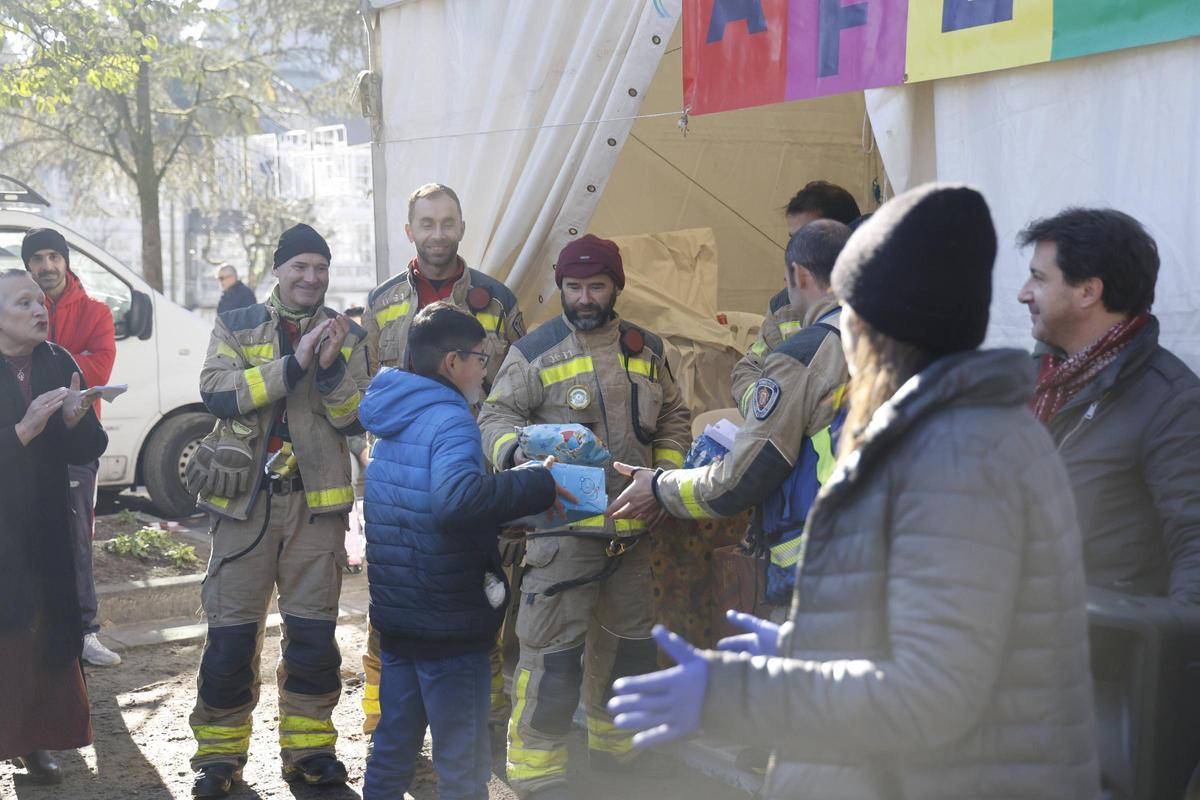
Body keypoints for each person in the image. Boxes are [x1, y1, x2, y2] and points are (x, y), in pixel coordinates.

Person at [608, 184, 1101, 800]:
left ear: (884, 322)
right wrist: (805, 643)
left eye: (854, 310)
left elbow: (932, 692)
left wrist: (735, 692)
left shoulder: (957, 454)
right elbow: (916, 631)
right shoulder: (941, 433)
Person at [477, 234, 691, 800]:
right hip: (562, 534)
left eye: (597, 285)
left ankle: (616, 758)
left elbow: (673, 418)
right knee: (553, 660)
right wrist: (517, 456)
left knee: (628, 654)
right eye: (574, 286)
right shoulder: (535, 351)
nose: (585, 297)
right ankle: (536, 771)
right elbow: (494, 417)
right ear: (561, 287)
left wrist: (660, 484)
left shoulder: (648, 349)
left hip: (633, 534)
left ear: (616, 286)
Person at [184, 224, 371, 798]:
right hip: (245, 507)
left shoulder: (350, 334)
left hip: (316, 509)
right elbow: (216, 391)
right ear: (279, 271)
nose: (310, 278)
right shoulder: (238, 322)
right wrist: (293, 367)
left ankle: (310, 752)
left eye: (320, 268)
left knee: (314, 637)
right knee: (232, 638)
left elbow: (357, 417)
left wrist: (334, 367)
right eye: (300, 267)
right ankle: (218, 759)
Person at [359, 302, 570, 800]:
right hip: (448, 620)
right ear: (452, 362)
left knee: (392, 749)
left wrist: (500, 506)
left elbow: (426, 506)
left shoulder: (393, 412)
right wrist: (536, 484)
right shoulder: (450, 418)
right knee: (463, 764)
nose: (485, 368)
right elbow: (456, 502)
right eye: (480, 357)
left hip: (400, 616)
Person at [608, 220, 852, 608]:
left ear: (801, 275)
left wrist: (658, 487)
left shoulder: (807, 354)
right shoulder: (898, 339)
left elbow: (742, 478)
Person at [360, 183, 527, 741]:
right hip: (405, 479)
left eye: (447, 222)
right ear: (409, 231)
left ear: (462, 227)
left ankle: (487, 725)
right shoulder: (382, 303)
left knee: (485, 597)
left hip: (473, 470)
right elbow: (370, 391)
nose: (438, 233)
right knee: (397, 601)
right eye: (426, 223)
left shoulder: (499, 302)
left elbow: (516, 389)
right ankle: (387, 726)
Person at [1018, 208, 1200, 603]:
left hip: (1099, 646)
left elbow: (1194, 544)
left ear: (1088, 292)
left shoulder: (1172, 402)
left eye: (1038, 278)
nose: (1023, 293)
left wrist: (1162, 652)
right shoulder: (1036, 381)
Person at [0, 269, 108, 784]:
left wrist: (71, 420)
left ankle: (35, 742)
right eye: (24, 303)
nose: (40, 310)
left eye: (41, 301)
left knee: (42, 630)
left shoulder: (57, 360)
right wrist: (22, 431)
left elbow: (88, 448)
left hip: (42, 522)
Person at [21, 228, 120, 668]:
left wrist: (49, 368)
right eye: (37, 258)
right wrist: (67, 364)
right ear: (27, 266)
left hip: (78, 440)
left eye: (53, 257)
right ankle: (31, 629)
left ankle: (85, 632)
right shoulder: (18, 305)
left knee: (78, 538)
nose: (46, 266)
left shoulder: (96, 311)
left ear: (65, 261)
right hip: (24, 443)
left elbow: (96, 368)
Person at [730, 181, 861, 413]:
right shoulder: (783, 308)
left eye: (808, 237)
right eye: (792, 238)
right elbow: (747, 369)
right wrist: (765, 409)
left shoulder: (880, 304)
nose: (795, 250)